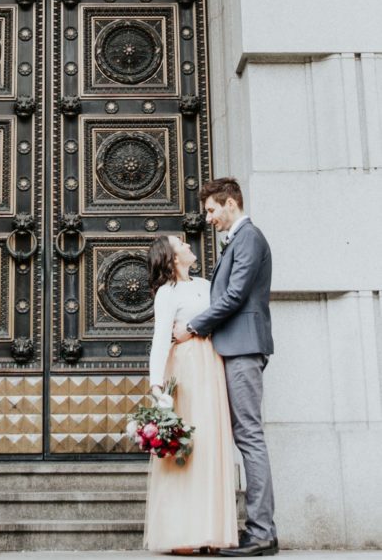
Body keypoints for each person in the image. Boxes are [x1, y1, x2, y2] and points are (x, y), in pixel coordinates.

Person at [173, 177, 277, 557]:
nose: (209, 218)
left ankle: (262, 532)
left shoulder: (248, 237)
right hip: (233, 346)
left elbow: (234, 294)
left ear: (230, 203)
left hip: (244, 347)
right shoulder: (238, 239)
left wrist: (194, 326)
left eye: (212, 210)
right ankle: (259, 528)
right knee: (244, 434)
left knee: (249, 435)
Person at [144, 234, 238, 554]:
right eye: (180, 244)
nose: (187, 245)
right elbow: (160, 339)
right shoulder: (167, 293)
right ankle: (182, 533)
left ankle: (210, 531)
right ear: (172, 258)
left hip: (211, 365)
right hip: (185, 370)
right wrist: (156, 385)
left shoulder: (207, 283)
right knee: (189, 450)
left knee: (211, 445)